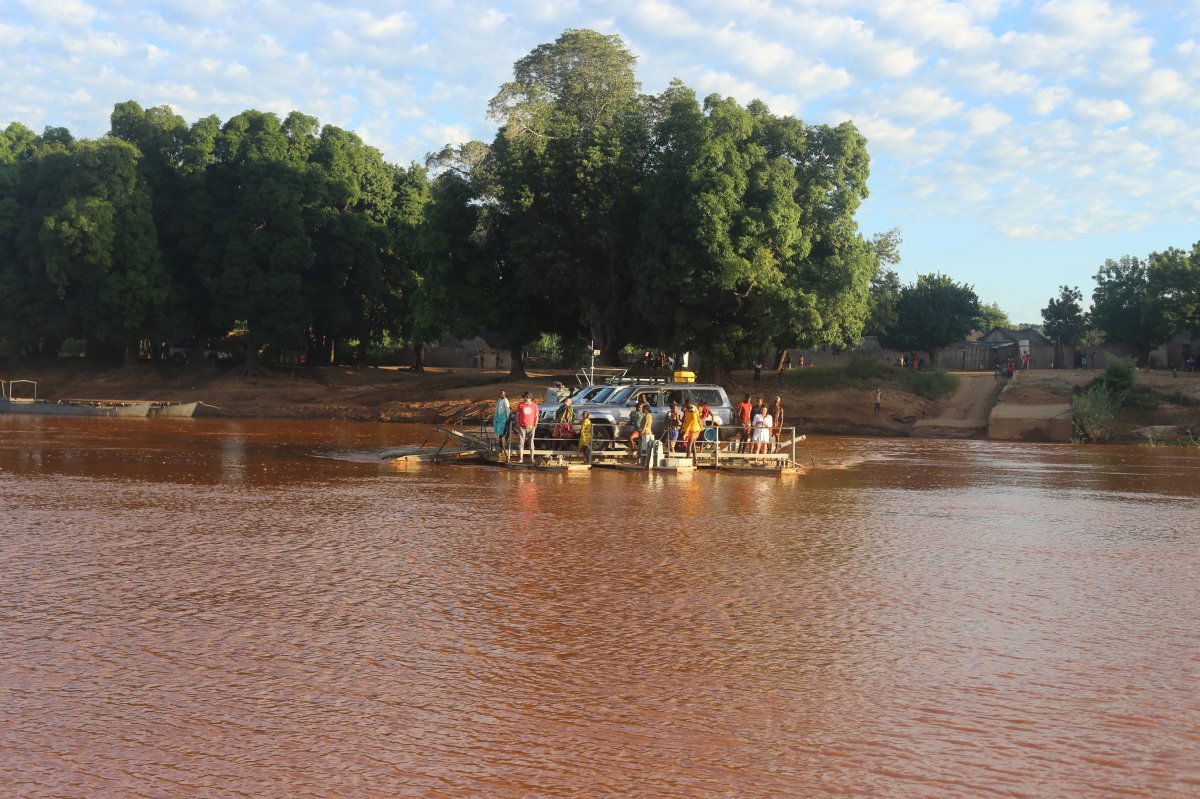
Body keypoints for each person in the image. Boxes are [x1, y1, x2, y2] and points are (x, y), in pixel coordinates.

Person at [514, 391, 538, 463]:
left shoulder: (534, 405)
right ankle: (521, 459)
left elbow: (536, 416)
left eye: (526, 397)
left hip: (531, 427)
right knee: (521, 442)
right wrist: (518, 424)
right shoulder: (520, 405)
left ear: (529, 398)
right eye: (524, 397)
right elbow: (517, 415)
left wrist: (535, 425)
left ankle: (532, 459)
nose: (524, 399)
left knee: (531, 443)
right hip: (522, 427)